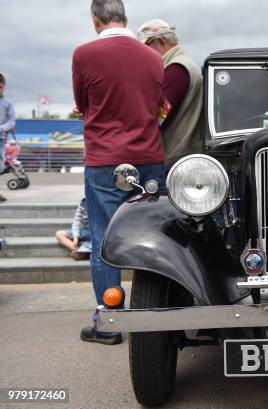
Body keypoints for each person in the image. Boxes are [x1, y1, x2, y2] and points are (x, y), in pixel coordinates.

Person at [72, 0, 166, 345]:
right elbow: (158, 105)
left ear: (96, 19)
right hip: (148, 156)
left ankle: (109, 321)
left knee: (104, 240)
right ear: (126, 18)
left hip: (104, 160)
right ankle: (155, 312)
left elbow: (83, 105)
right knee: (155, 236)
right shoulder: (154, 58)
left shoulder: (84, 54)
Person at [138, 19, 203, 170]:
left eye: (147, 46)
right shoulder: (181, 65)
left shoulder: (176, 69)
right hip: (182, 158)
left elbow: (161, 116)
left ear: (161, 41)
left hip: (177, 160)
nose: (144, 53)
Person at [0, 73, 16, 202]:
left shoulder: (7, 103)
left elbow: (11, 122)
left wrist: (1, 128)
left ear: (4, 87)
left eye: (0, 87)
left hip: (0, 139)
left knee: (0, 166)